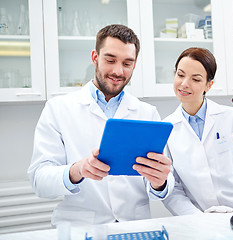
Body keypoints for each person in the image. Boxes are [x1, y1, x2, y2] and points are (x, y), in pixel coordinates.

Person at [28, 24, 174, 226]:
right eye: (110, 60)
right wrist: (77, 170)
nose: (118, 71)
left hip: (133, 227)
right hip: (80, 227)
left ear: (134, 64)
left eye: (127, 63)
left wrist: (161, 182)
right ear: (95, 58)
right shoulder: (58, 109)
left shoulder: (147, 113)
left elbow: (162, 184)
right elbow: (39, 181)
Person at [162, 47, 233, 215]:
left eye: (196, 79)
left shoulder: (232, 117)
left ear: (209, 85)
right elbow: (173, 188)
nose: (184, 84)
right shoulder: (166, 128)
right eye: (180, 74)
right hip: (198, 221)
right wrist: (196, 219)